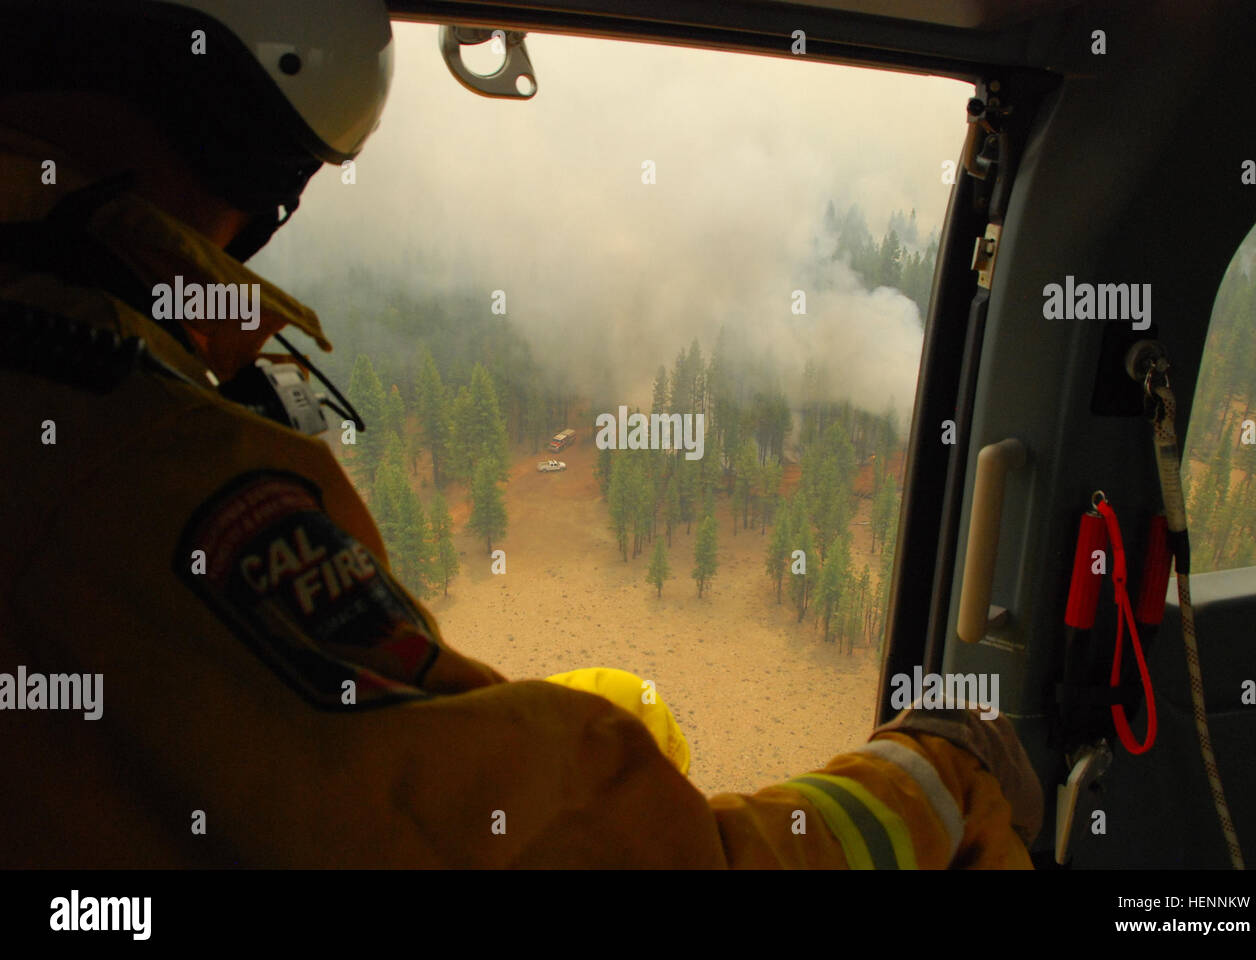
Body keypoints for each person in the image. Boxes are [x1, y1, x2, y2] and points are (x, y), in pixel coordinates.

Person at [0, 0, 1042, 868]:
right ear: (250, 125)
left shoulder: (68, 377)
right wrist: (937, 775)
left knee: (624, 707)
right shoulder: (130, 456)